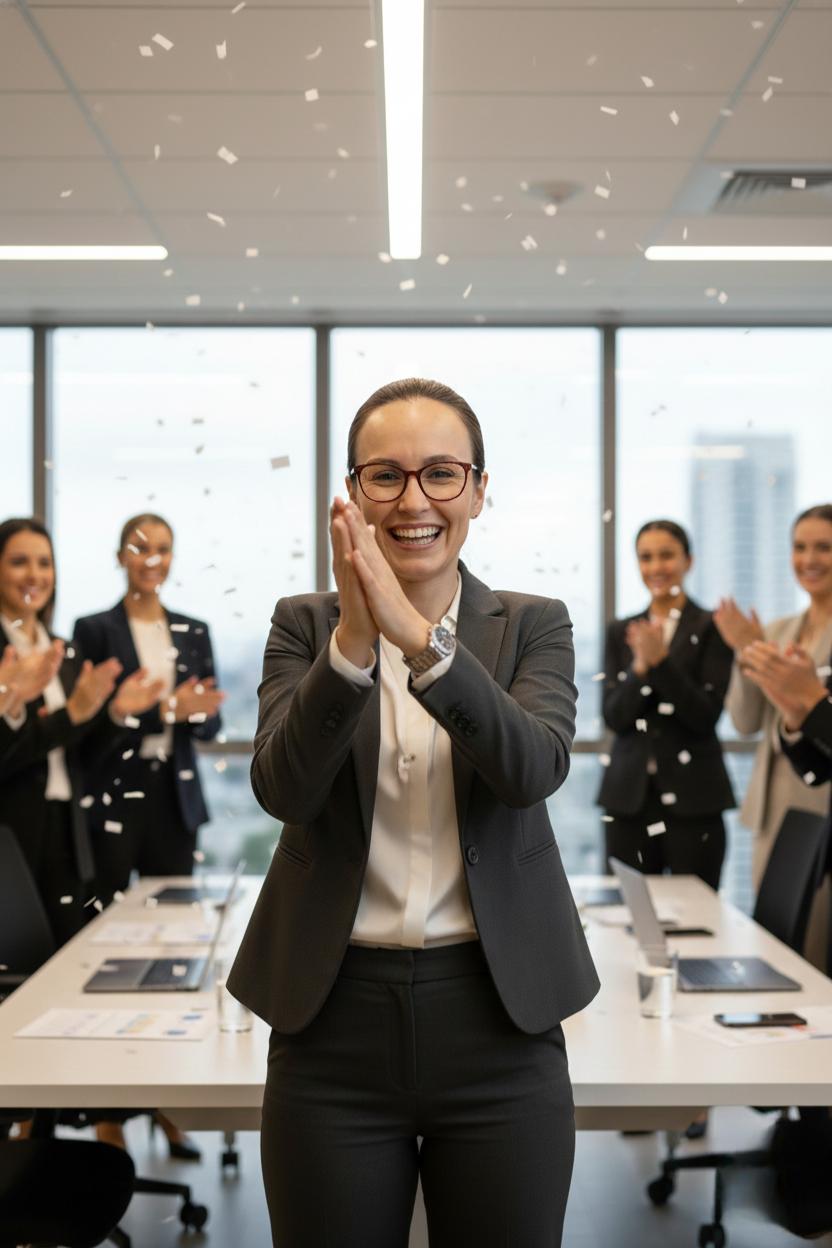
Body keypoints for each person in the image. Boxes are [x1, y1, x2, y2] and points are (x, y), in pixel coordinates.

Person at [227, 377, 599, 1248]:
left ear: (477, 488)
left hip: (499, 1017)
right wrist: (354, 644)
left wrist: (422, 641)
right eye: (385, 476)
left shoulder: (534, 625)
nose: (414, 499)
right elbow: (283, 789)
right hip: (332, 1022)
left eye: (441, 473)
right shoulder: (303, 624)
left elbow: (531, 768)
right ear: (353, 493)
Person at [0, 517, 162, 946]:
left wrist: (113, 715)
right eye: (19, 562)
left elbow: (82, 756)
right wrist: (64, 713)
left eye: (44, 563)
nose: (35, 575)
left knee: (65, 959)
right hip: (11, 830)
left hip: (68, 830)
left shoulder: (63, 651)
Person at [73, 513, 225, 907]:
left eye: (162, 550)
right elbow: (90, 728)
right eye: (140, 548)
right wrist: (167, 710)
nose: (151, 560)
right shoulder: (93, 630)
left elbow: (210, 726)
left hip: (176, 796)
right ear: (120, 557)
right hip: (115, 789)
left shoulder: (194, 631)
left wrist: (196, 711)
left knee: (175, 914)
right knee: (105, 913)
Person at [715, 503, 832, 966]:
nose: (809, 559)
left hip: (820, 802)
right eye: (800, 547)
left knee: (814, 949)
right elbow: (745, 720)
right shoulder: (781, 630)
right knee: (776, 944)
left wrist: (808, 698)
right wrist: (746, 651)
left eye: (824, 547)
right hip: (772, 806)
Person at [598, 520, 735, 889]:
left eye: (666, 555)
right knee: (628, 916)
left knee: (700, 920)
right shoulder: (621, 630)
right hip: (628, 801)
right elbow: (614, 716)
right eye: (646, 557)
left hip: (695, 802)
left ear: (688, 560)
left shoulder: (711, 628)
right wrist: (640, 669)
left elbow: (704, 715)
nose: (656, 567)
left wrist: (660, 664)